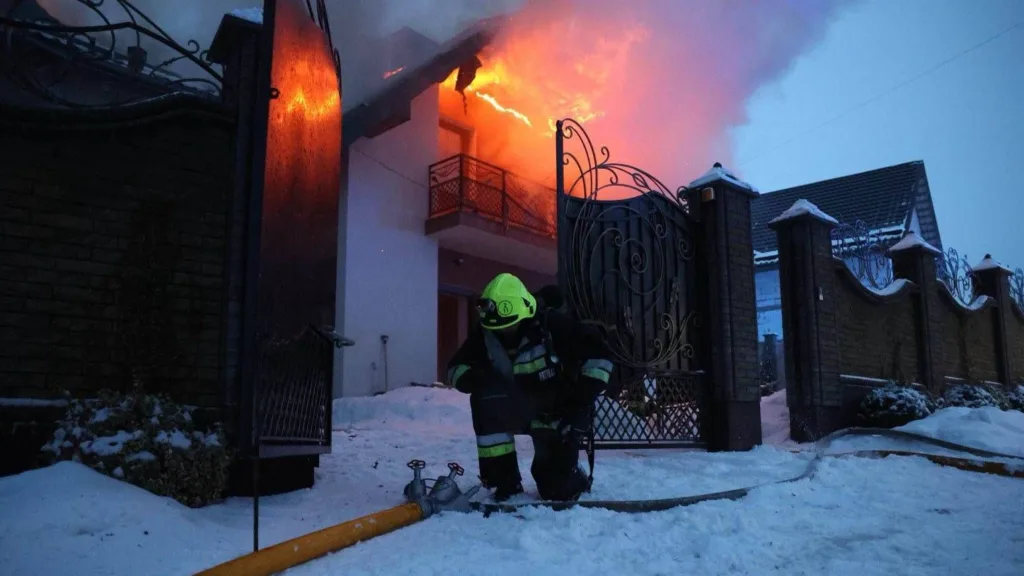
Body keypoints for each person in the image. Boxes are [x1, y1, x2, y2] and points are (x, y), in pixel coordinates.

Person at [446, 273, 614, 502]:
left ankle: (571, 478)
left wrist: (580, 401)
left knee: (557, 492)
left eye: (509, 326)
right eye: (498, 328)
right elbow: (455, 368)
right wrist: (479, 381)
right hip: (513, 407)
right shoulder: (485, 332)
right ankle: (504, 482)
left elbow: (600, 356)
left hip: (556, 414)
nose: (503, 333)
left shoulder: (552, 325)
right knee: (485, 398)